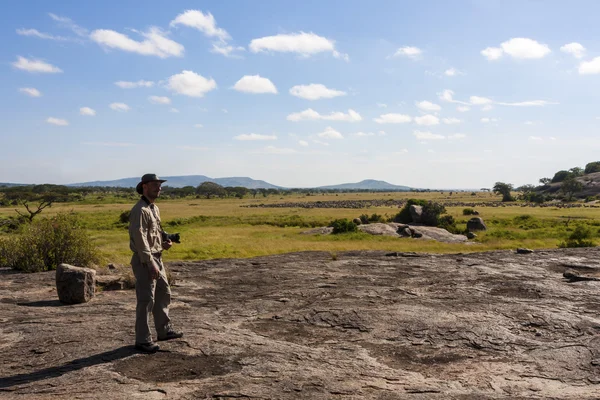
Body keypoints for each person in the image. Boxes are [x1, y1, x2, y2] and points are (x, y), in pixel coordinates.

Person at [129, 173, 183, 353]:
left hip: (156, 257)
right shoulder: (140, 210)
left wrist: (164, 243)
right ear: (144, 186)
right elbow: (140, 238)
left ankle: (164, 330)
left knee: (163, 293)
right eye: (155, 184)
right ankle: (143, 340)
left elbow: (154, 233)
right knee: (146, 300)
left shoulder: (154, 208)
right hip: (146, 260)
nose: (159, 188)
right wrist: (150, 263)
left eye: (160, 185)